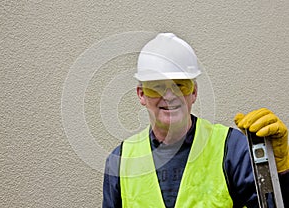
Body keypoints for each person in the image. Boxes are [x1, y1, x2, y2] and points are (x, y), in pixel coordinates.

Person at [102, 33, 289, 207]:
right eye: (156, 87)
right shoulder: (120, 161)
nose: (169, 96)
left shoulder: (231, 149)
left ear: (194, 92)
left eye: (180, 86)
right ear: (141, 95)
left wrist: (280, 172)